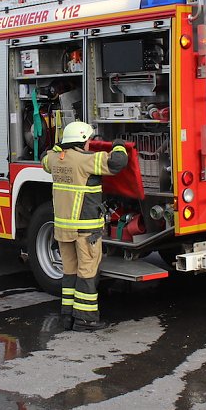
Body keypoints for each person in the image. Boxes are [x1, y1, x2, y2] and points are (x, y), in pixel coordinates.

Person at [41, 121, 128, 331]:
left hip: (63, 230)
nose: (90, 143)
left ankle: (67, 317)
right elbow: (118, 162)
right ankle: (86, 320)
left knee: (70, 271)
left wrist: (57, 147)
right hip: (86, 230)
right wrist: (119, 144)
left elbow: (43, 158)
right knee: (87, 272)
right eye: (89, 140)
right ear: (82, 141)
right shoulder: (86, 160)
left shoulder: (54, 159)